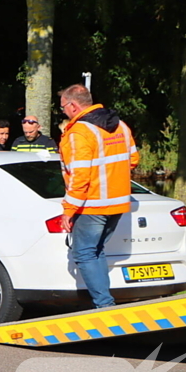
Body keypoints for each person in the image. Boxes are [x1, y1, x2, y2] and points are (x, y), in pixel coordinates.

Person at [58, 84, 139, 308]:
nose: (63, 111)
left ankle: (104, 305)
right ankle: (105, 302)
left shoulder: (80, 132)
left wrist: (68, 210)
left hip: (92, 204)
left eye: (63, 107)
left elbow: (80, 176)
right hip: (119, 202)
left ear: (73, 106)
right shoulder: (120, 126)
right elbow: (133, 160)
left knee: (84, 254)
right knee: (96, 250)